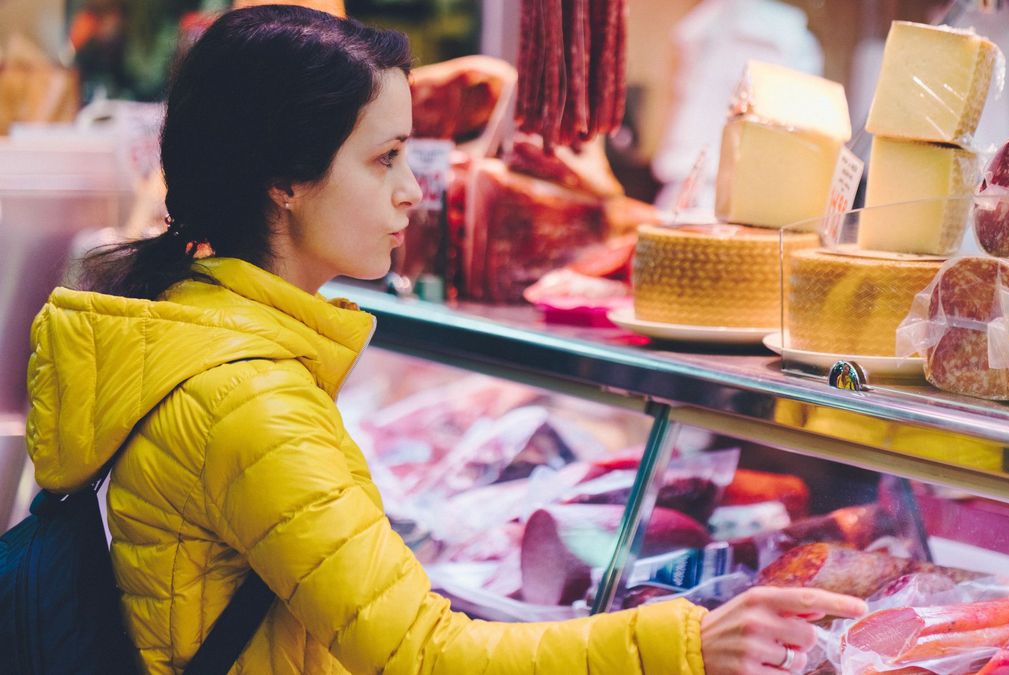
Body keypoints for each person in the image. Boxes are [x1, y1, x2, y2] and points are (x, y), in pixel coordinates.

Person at [25, 6, 866, 673]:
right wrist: (683, 645)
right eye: (386, 158)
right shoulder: (250, 402)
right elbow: (425, 654)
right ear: (284, 180)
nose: (413, 192)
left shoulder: (188, 323)